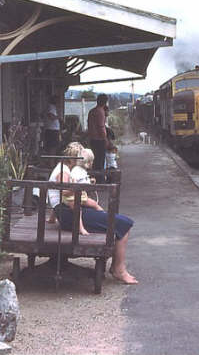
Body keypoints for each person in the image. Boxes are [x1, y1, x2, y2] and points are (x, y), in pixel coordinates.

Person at [48, 142, 137, 284]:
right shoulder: (63, 170)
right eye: (80, 158)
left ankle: (117, 267)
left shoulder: (65, 169)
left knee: (117, 220)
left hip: (68, 212)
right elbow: (64, 191)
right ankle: (118, 269)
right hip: (69, 214)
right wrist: (83, 187)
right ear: (73, 158)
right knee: (123, 224)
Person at [87, 94, 108, 182]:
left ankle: (94, 178)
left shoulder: (92, 111)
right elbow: (101, 127)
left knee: (94, 161)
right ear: (105, 102)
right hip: (99, 139)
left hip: (92, 138)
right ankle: (100, 180)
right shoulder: (100, 111)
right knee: (100, 161)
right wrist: (105, 139)